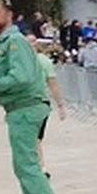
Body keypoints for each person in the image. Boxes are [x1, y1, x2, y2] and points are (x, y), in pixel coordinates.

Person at [0, 0, 71, 194]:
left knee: (27, 164)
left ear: (8, 15)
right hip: (20, 109)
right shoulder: (5, 43)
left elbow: (20, 77)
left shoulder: (14, 42)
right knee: (22, 164)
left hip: (26, 108)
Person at [35, 46, 65, 174]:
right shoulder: (44, 61)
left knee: (35, 138)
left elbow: (53, 83)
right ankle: (41, 166)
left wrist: (60, 105)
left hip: (37, 102)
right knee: (36, 138)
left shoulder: (42, 61)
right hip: (38, 102)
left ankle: (40, 166)